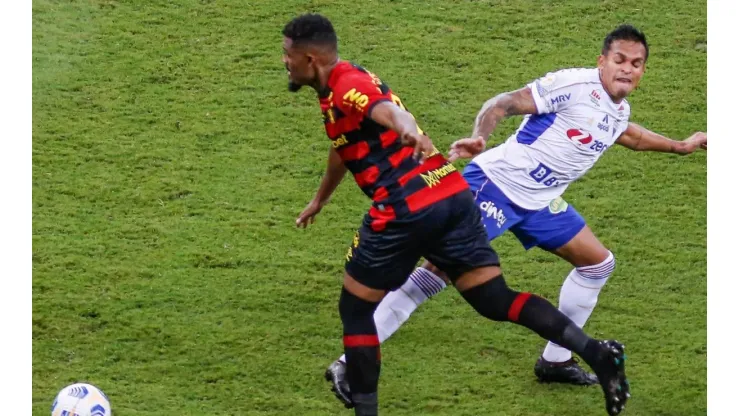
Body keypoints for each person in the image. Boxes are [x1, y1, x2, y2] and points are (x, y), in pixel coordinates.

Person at [324, 22, 706, 398]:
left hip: (540, 202)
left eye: (636, 63)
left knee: (598, 263)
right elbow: (504, 102)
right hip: (495, 186)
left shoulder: (617, 109)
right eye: (620, 59)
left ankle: (555, 361)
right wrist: (481, 137)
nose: (627, 69)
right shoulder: (573, 86)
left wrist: (680, 146)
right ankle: (348, 362)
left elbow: (629, 134)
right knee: (434, 276)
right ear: (602, 61)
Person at [283, 13, 630, 416]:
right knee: (493, 299)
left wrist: (407, 127)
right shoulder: (338, 87)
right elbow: (344, 142)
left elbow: (387, 113)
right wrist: (321, 198)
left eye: (287, 55)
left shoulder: (349, 85)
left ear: (310, 59)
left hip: (404, 206)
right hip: (450, 193)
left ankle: (360, 394)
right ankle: (595, 353)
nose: (284, 62)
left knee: (356, 308)